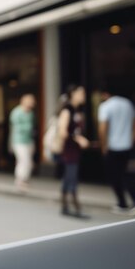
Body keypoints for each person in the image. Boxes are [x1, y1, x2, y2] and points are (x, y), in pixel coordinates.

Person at [98, 86, 135, 216]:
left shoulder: (106, 106)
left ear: (105, 94)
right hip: (126, 146)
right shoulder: (128, 104)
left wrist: (104, 146)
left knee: (114, 176)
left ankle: (123, 203)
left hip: (113, 146)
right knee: (125, 173)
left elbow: (102, 128)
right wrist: (131, 141)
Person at [58, 85, 90, 218]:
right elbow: (62, 132)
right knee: (71, 177)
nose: (83, 95)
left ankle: (65, 205)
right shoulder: (67, 110)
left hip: (74, 149)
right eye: (81, 93)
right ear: (73, 94)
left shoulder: (77, 110)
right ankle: (76, 207)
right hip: (69, 149)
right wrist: (78, 139)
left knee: (68, 177)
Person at [9, 93, 36, 189]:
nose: (32, 103)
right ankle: (20, 179)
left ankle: (25, 179)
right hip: (19, 140)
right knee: (23, 160)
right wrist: (27, 128)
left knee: (28, 161)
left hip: (28, 140)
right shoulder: (17, 112)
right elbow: (17, 127)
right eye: (30, 100)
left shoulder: (30, 113)